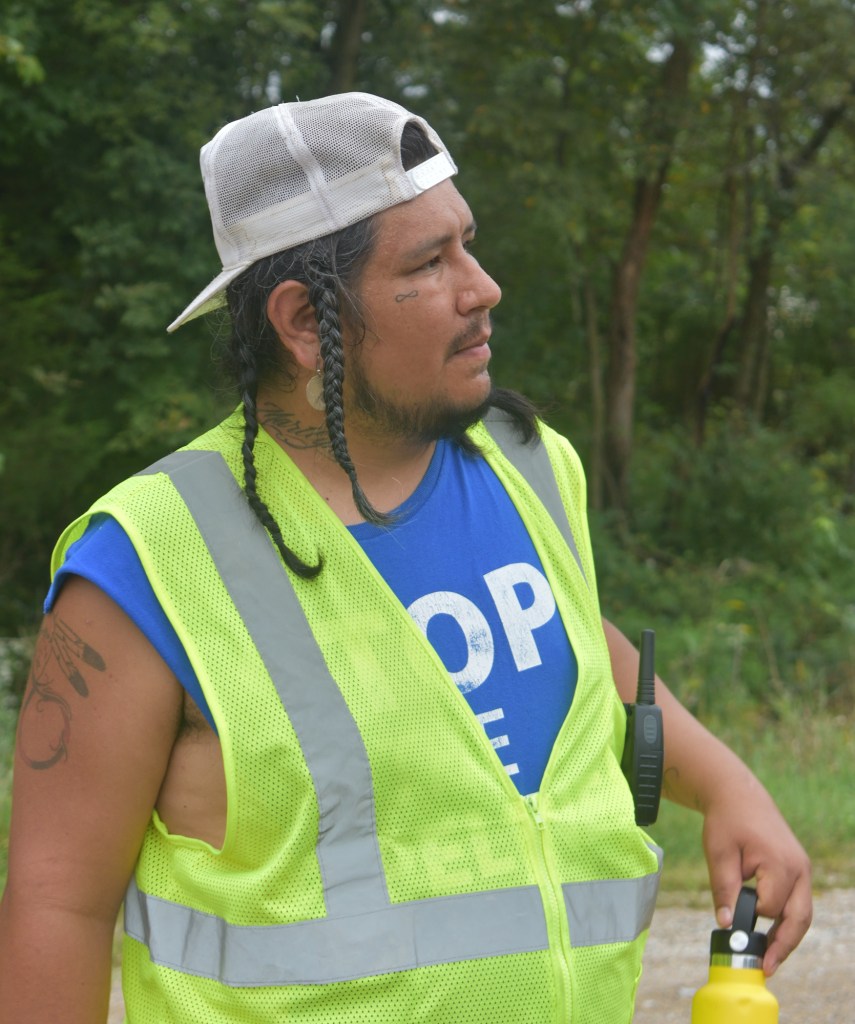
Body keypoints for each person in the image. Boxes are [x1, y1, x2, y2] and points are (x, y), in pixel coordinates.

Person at [0, 92, 811, 1024]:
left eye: (467, 244)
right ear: (302, 320)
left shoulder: (530, 466)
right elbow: (57, 905)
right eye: (429, 262)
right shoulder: (149, 561)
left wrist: (725, 784)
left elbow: (573, 642)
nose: (482, 287)